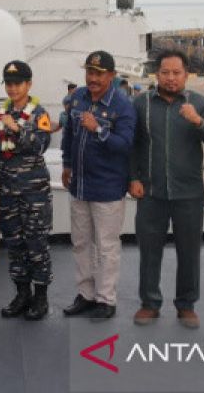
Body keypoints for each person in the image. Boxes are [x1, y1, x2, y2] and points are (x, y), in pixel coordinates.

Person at [129, 49, 204, 329]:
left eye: (176, 73)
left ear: (186, 74)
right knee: (149, 250)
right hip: (151, 192)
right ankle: (149, 303)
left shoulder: (200, 103)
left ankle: (186, 305)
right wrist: (132, 178)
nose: (170, 78)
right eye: (165, 73)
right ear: (156, 74)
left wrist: (198, 121)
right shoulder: (140, 103)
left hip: (189, 193)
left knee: (189, 251)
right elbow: (131, 145)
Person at [60, 51, 136, 321]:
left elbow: (125, 145)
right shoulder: (78, 97)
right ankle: (86, 295)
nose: (92, 78)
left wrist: (99, 130)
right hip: (79, 185)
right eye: (89, 72)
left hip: (107, 188)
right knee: (80, 243)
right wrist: (67, 164)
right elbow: (69, 132)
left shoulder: (122, 105)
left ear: (111, 76)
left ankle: (106, 299)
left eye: (98, 74)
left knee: (106, 246)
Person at [0, 60, 54, 321]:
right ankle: (21, 294)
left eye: (18, 83)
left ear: (29, 84)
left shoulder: (39, 113)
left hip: (33, 192)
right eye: (9, 83)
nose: (13, 88)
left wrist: (17, 128)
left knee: (36, 244)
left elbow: (40, 145)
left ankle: (41, 298)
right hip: (7, 190)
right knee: (14, 244)